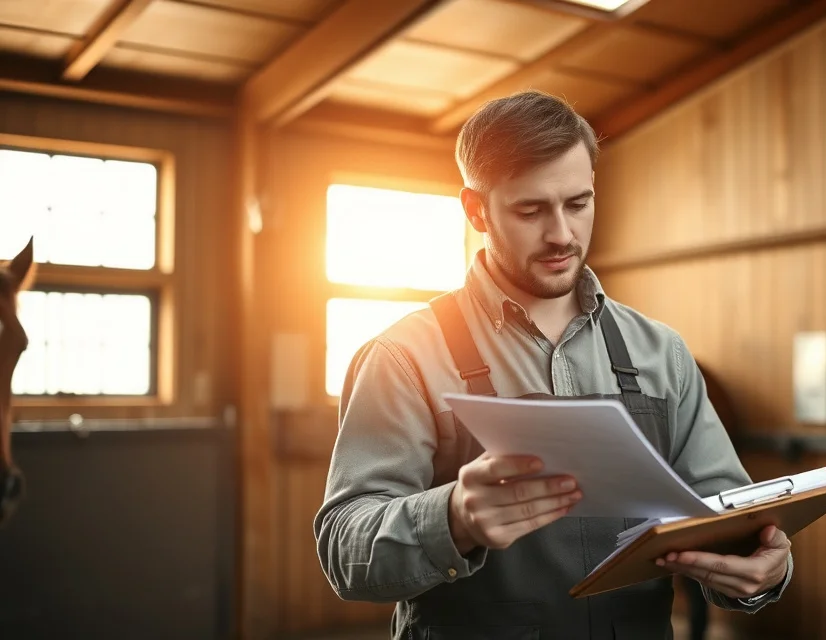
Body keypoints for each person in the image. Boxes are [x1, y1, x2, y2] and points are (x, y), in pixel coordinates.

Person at [315, 90, 793, 639]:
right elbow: (344, 548)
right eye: (530, 210)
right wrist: (454, 518)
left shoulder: (664, 354)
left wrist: (761, 568)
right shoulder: (403, 357)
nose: (562, 234)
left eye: (578, 204)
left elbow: (728, 516)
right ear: (476, 210)